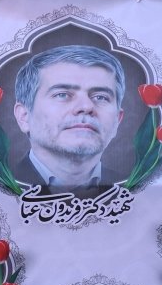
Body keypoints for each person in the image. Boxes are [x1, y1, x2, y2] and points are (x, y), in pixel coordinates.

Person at [10, 45, 125, 194]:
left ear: (117, 120)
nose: (86, 106)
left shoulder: (139, 191)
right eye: (62, 94)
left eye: (100, 97)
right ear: (24, 117)